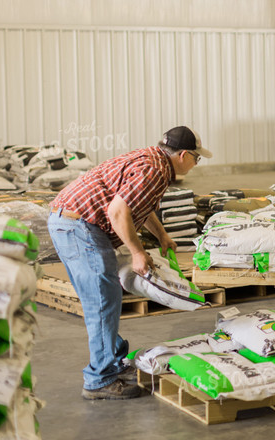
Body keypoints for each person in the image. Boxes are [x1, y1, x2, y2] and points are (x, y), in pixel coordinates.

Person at [47, 126, 211, 399]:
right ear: (183, 155)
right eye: (197, 158)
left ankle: (112, 360)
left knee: (103, 300)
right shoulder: (155, 171)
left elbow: (137, 205)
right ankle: (99, 380)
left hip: (69, 221)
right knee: (102, 302)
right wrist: (137, 253)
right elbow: (118, 212)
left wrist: (162, 236)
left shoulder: (153, 159)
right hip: (80, 226)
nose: (196, 164)